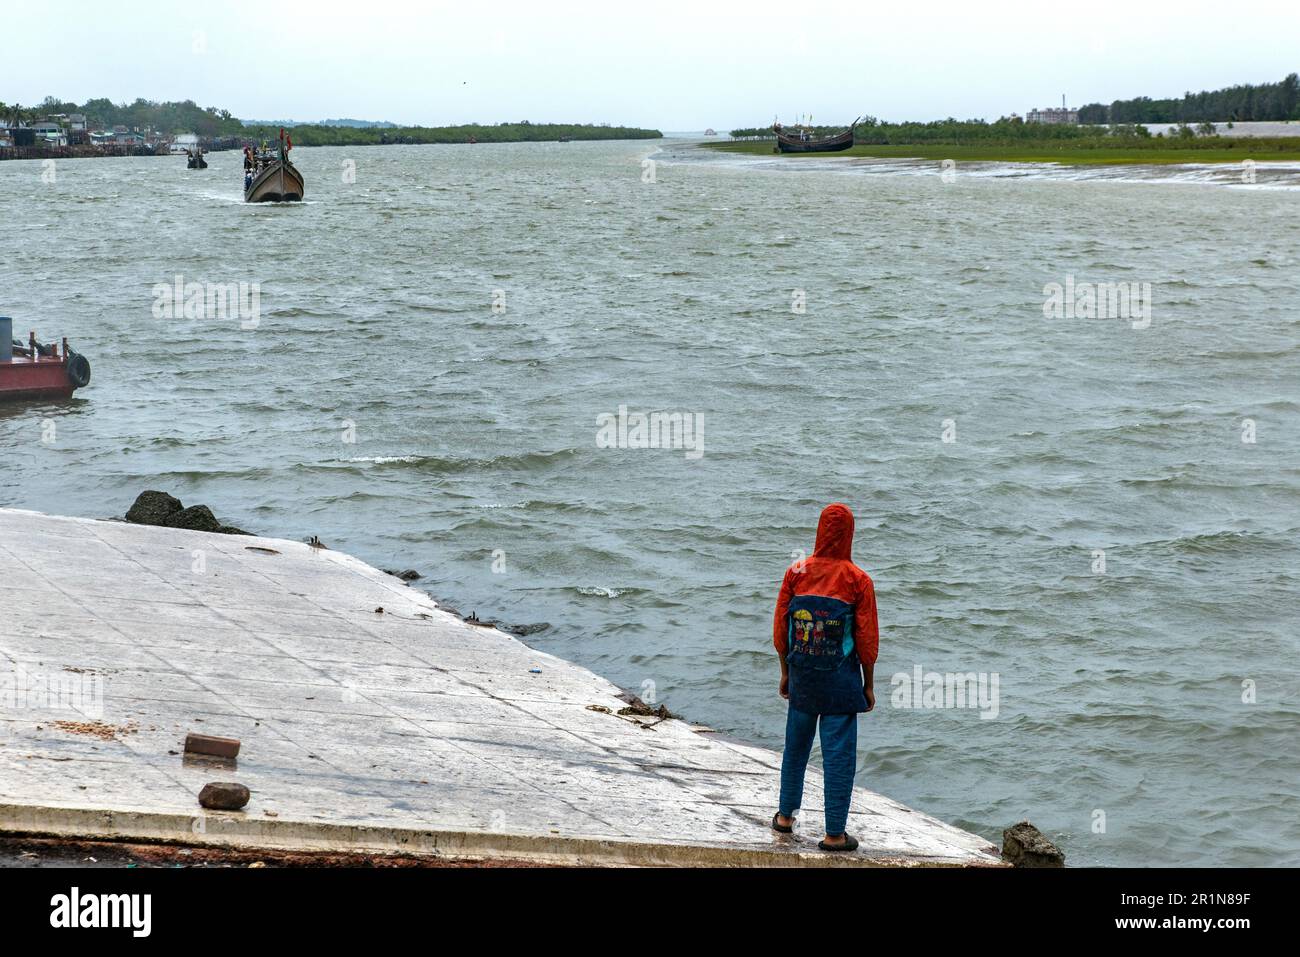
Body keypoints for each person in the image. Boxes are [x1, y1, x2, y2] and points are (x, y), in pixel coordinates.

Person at [771, 503, 878, 851]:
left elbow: (781, 630)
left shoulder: (796, 572)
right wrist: (868, 684)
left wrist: (786, 673)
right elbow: (866, 639)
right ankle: (834, 835)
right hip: (841, 683)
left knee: (795, 747)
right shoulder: (858, 580)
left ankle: (785, 816)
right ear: (849, 534)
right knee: (838, 756)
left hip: (803, 675)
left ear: (819, 531)